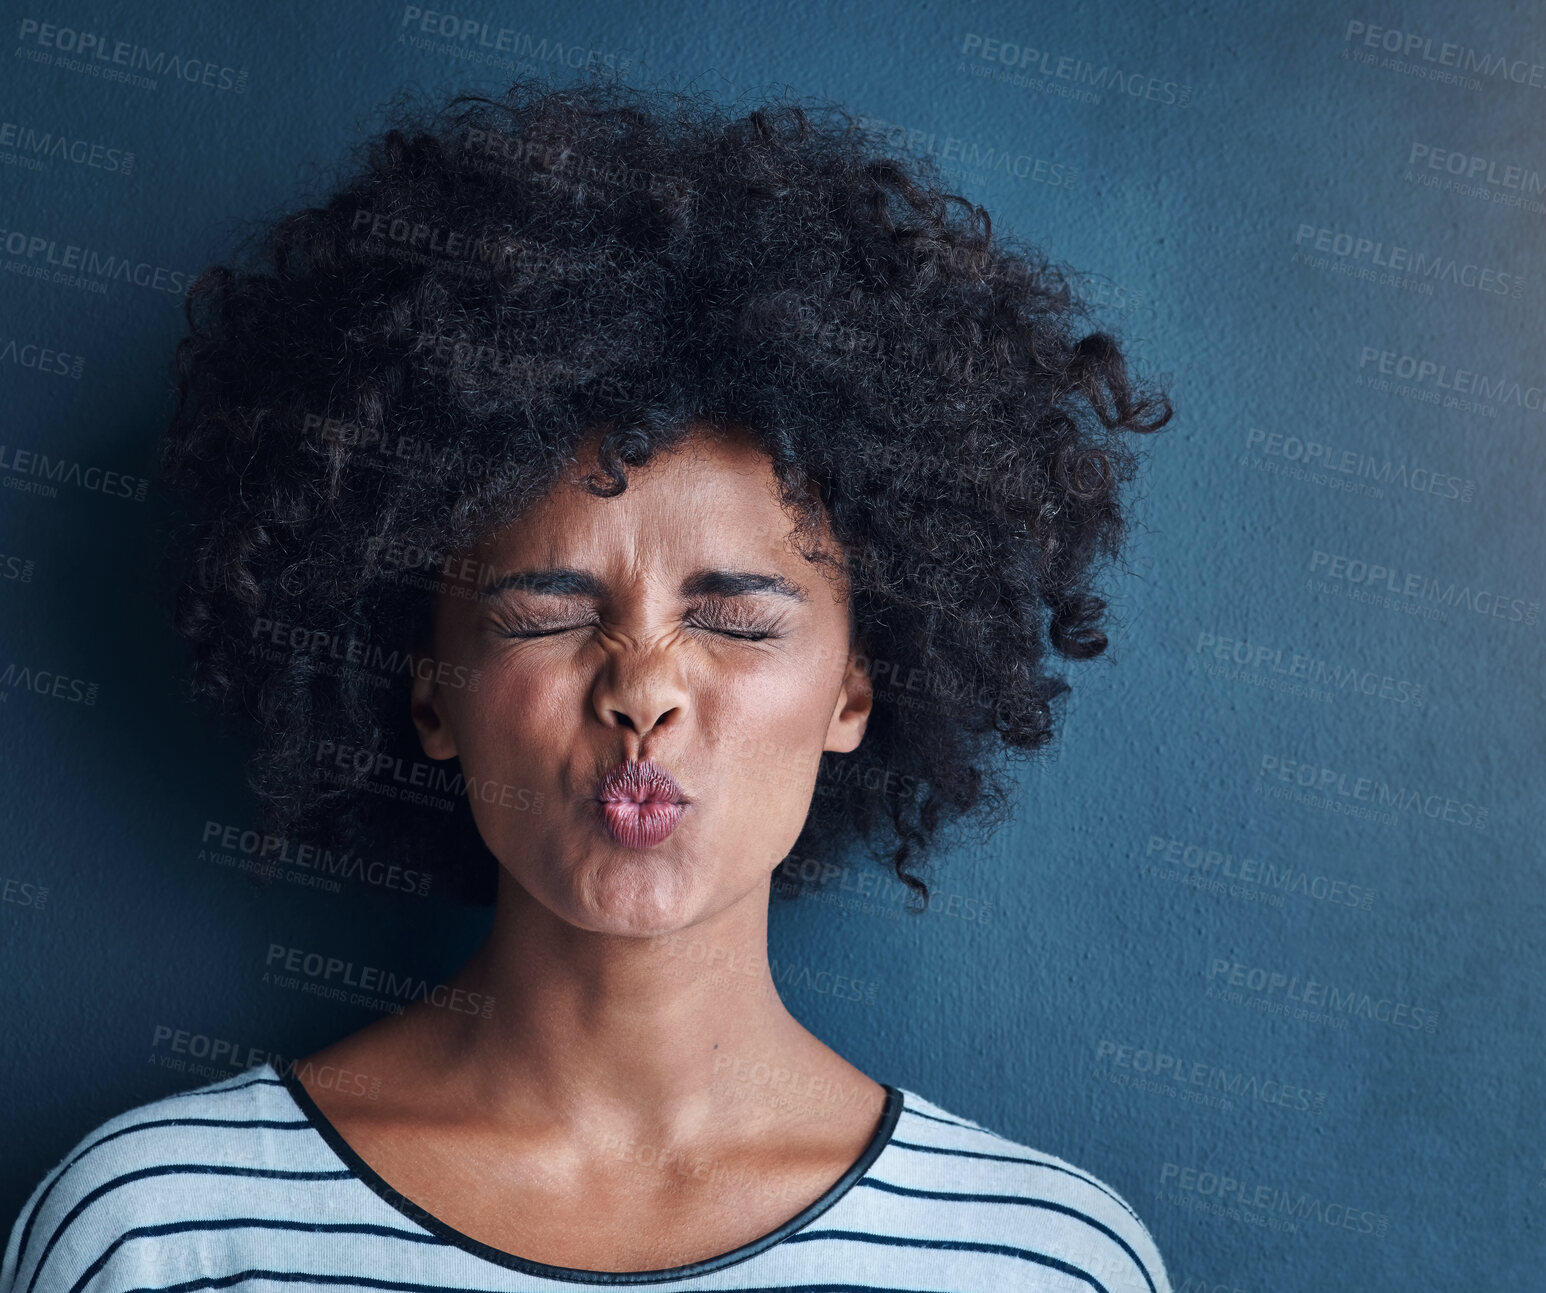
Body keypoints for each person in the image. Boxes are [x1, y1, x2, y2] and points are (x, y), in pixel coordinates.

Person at [1, 76, 1173, 1291]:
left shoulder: (1041, 1261)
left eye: (731, 620)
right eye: (548, 613)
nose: (643, 690)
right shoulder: (166, 1236)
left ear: (855, 694)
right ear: (429, 694)